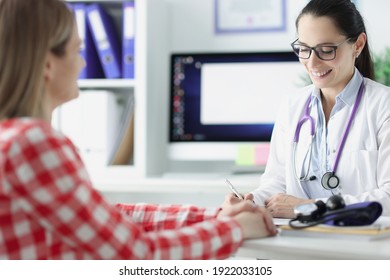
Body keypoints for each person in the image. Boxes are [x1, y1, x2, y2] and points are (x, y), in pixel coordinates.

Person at [0, 0, 277, 260]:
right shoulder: (33, 143)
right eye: (77, 51)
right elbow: (134, 254)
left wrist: (216, 216)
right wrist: (235, 229)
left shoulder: (11, 137)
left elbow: (105, 219)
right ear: (48, 64)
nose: (83, 63)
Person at [222, 0, 390, 218]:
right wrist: (252, 201)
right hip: (296, 237)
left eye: (326, 50)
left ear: (358, 44)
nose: (312, 63)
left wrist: (310, 207)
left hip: (361, 244)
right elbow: (276, 183)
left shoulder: (383, 106)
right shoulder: (292, 106)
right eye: (303, 49)